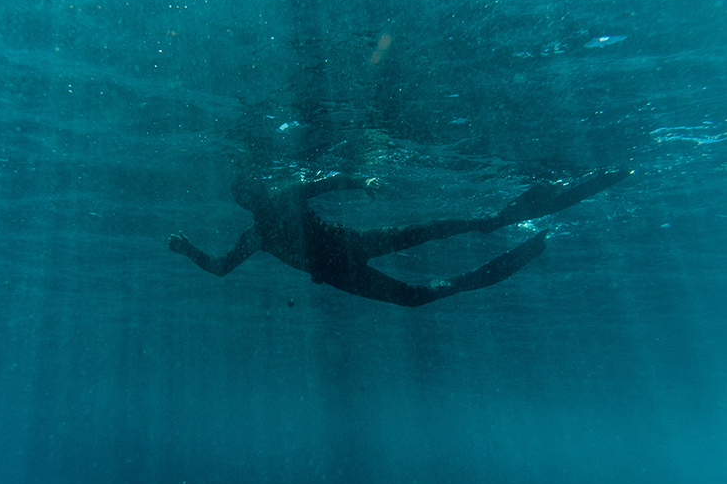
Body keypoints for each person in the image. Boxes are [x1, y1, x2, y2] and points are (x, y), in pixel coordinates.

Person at [168, 168, 628, 306]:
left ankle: (517, 213)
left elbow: (327, 182)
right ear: (247, 202)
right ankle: (499, 257)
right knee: (413, 296)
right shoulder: (257, 233)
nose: (255, 198)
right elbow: (221, 268)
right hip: (338, 266)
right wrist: (189, 249)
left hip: (350, 249)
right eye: (248, 195)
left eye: (252, 190)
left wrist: (362, 182)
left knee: (434, 234)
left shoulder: (280, 203)